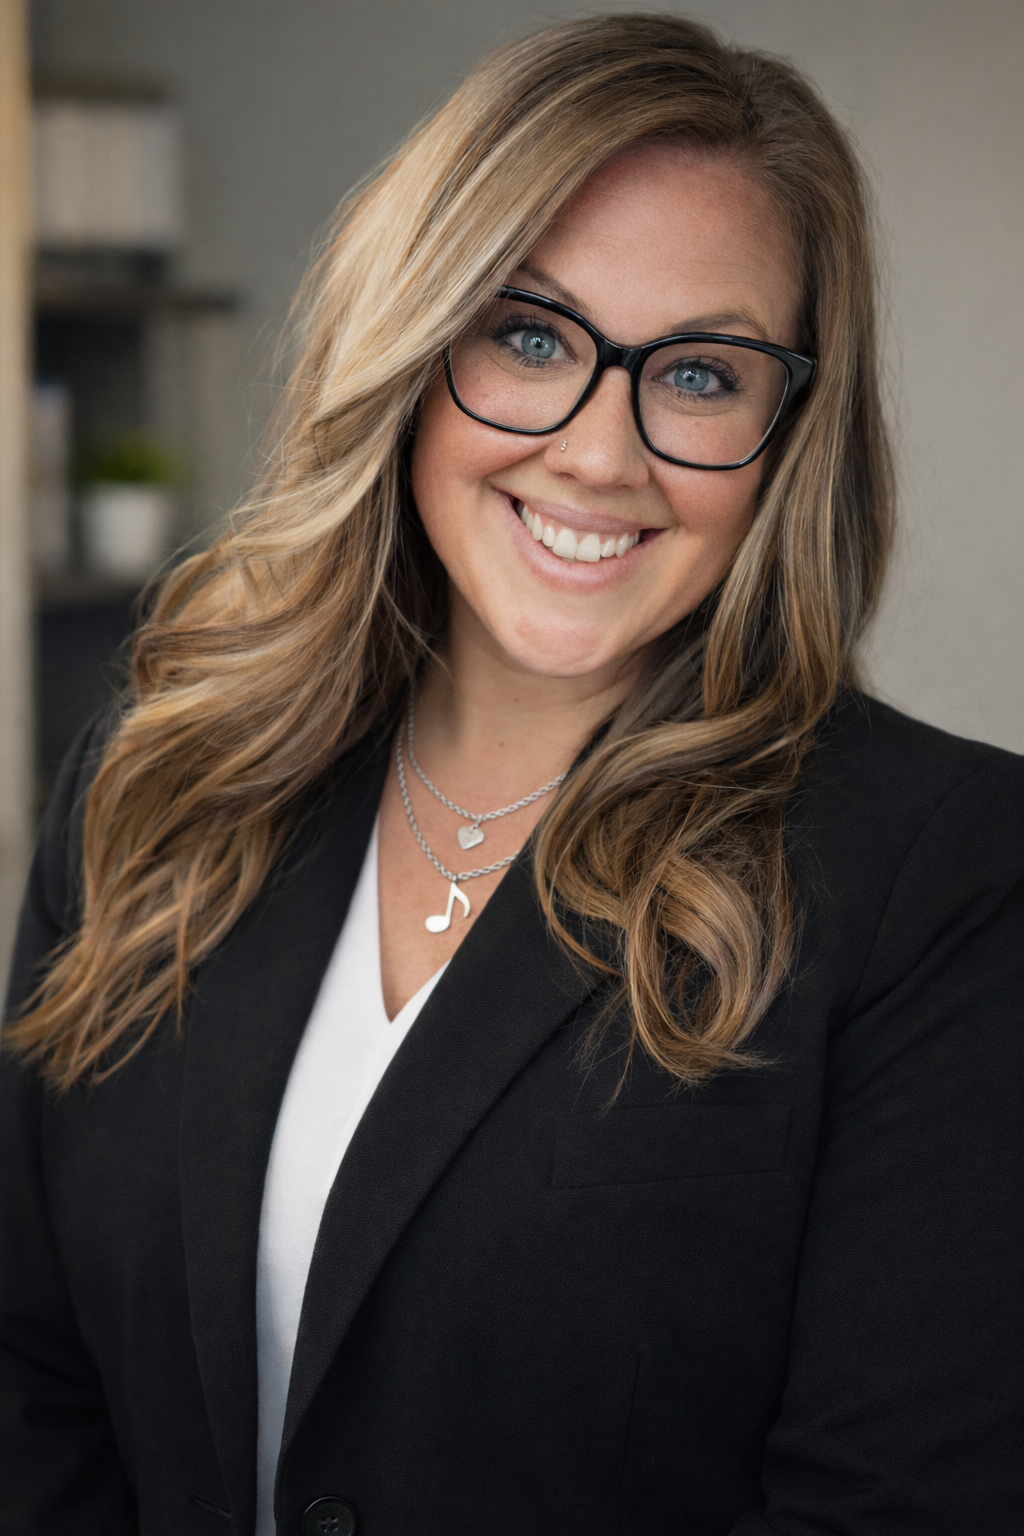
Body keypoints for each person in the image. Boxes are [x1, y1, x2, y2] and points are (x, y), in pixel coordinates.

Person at [2, 14, 1021, 1536]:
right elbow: (32, 1388)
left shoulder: (941, 878)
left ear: (788, 432)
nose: (602, 455)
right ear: (411, 347)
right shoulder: (161, 775)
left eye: (700, 373)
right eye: (531, 337)